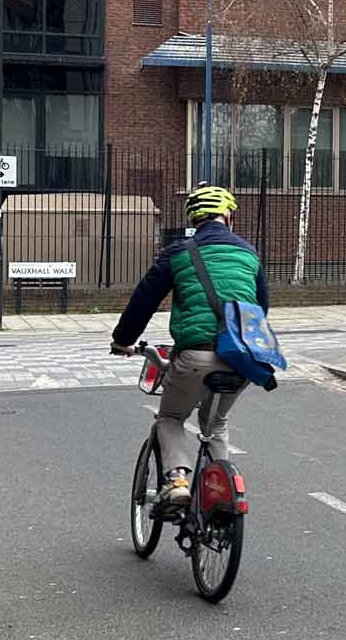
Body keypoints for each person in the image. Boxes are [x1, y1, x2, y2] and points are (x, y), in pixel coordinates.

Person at [110, 184, 270, 507]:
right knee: (216, 422)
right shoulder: (249, 254)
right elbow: (261, 308)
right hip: (244, 357)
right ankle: (218, 497)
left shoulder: (179, 252)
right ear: (227, 215)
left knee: (170, 416)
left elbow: (144, 300)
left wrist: (123, 340)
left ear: (195, 218)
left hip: (196, 354)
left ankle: (176, 481)